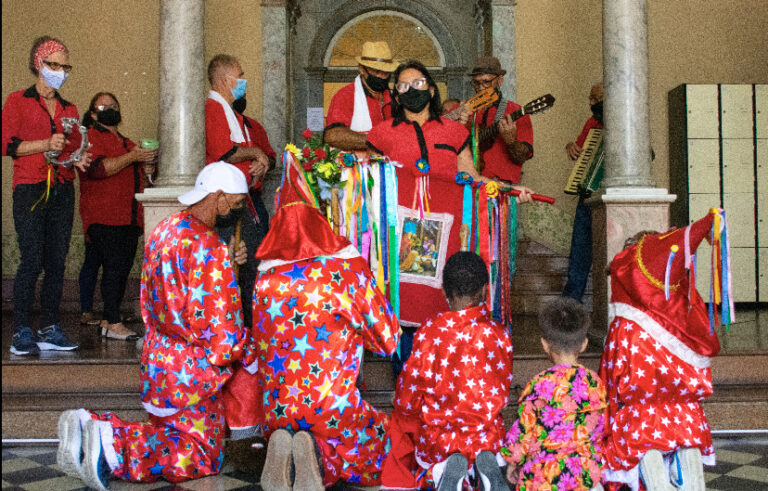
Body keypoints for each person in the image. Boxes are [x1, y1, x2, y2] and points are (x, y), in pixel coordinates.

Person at [55, 162, 255, 489]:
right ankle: (113, 443)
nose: (236, 213)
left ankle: (90, 429)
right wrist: (249, 352)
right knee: (202, 454)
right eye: (235, 205)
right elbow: (222, 331)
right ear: (218, 198)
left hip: (158, 364)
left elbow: (162, 295)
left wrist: (227, 266)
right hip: (193, 374)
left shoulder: (165, 229)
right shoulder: (209, 247)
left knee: (170, 434)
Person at [241, 159, 400, 490]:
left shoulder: (264, 276)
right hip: (331, 410)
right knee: (385, 442)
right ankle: (316, 457)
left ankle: (289, 448)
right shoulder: (345, 271)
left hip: (276, 409)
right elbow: (388, 338)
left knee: (297, 416)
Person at [366, 60, 533, 374]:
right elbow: (366, 180)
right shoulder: (382, 134)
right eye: (403, 86)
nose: (411, 90)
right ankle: (407, 384)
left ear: (431, 88)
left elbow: (471, 177)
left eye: (418, 83)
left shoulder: (455, 132)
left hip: (447, 237)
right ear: (397, 96)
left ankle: (442, 384)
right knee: (404, 314)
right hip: (398, 239)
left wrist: (509, 189)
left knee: (441, 307)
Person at [600, 211, 722, 491]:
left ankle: (653, 470)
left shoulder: (625, 326)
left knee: (645, 441)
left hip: (640, 420)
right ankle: (687, 468)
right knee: (684, 440)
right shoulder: (684, 317)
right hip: (685, 417)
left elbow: (613, 379)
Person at [382, 251, 513, 491]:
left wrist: (404, 407)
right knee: (490, 426)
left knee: (404, 417)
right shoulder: (499, 332)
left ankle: (444, 469)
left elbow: (409, 394)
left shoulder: (430, 330)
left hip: (439, 438)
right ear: (485, 289)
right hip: (488, 435)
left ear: (443, 290)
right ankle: (483, 466)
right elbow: (502, 392)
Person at [2, 36, 90, 355]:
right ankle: (22, 330)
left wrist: (77, 158)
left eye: (65, 66)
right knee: (31, 259)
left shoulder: (69, 108)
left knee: (56, 261)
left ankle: (50, 328)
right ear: (39, 64)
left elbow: (69, 149)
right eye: (55, 64)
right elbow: (7, 146)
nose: (61, 71)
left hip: (63, 188)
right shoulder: (17, 101)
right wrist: (44, 144)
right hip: (30, 188)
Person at [502, 296, 606, 491]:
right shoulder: (595, 383)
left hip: (544, 477)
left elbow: (523, 432)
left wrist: (513, 461)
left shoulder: (538, 385)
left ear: (544, 344)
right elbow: (599, 430)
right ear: (584, 344)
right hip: (584, 474)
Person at [77, 91, 158, 340]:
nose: (111, 109)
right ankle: (112, 321)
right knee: (113, 269)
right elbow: (98, 169)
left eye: (114, 105)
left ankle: (108, 319)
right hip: (104, 217)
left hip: (129, 218)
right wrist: (132, 157)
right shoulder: (90, 137)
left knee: (121, 270)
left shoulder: (126, 142)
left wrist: (148, 168)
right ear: (92, 114)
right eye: (104, 107)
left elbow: (144, 179)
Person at [205, 53, 274, 328]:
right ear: (225, 79)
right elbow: (226, 151)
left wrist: (258, 164)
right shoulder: (213, 108)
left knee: (251, 262)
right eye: (241, 75)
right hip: (227, 202)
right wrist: (256, 153)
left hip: (245, 196)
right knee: (238, 264)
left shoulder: (231, 112)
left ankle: (249, 327)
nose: (244, 81)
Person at [562, 82, 603, 302]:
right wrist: (571, 145)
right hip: (587, 196)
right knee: (579, 252)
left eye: (596, 99)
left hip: (610, 197)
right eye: (591, 99)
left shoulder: (626, 124)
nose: (591, 104)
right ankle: (571, 304)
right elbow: (579, 151)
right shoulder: (592, 123)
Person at [468, 56, 534, 185]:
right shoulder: (464, 111)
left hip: (503, 189)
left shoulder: (517, 112)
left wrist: (511, 142)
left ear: (500, 80)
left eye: (486, 82)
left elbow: (521, 158)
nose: (481, 88)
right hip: (468, 186)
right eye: (476, 82)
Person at [323, 41, 397, 151]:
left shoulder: (394, 97)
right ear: (362, 69)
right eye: (377, 71)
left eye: (386, 72)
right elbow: (333, 135)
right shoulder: (346, 95)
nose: (382, 76)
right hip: (357, 167)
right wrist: (375, 141)